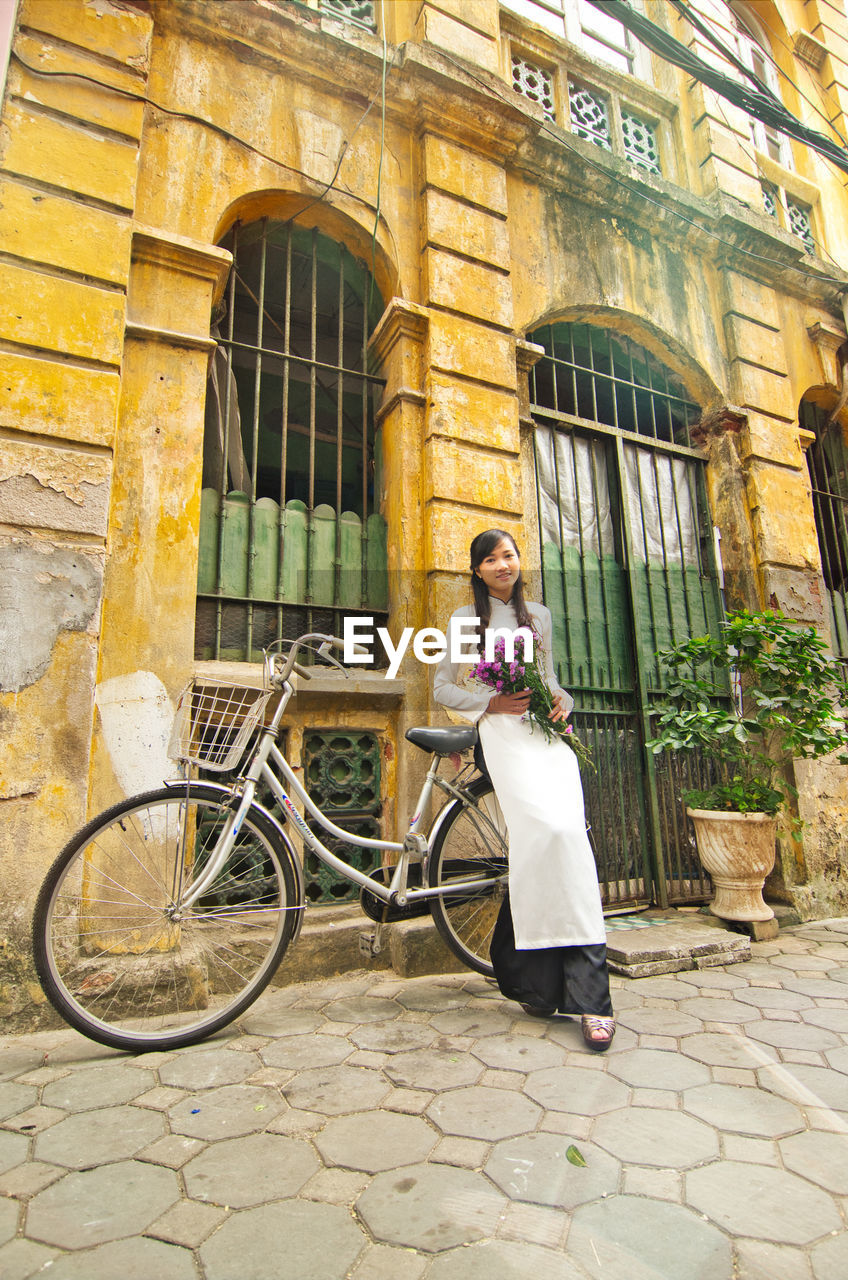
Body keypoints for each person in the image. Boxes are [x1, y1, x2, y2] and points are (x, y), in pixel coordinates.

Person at [433, 528, 615, 1051]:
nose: (501, 565)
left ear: (519, 561)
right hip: (503, 737)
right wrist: (489, 704)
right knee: (547, 835)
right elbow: (444, 685)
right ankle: (545, 980)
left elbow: (552, 678)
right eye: (490, 560)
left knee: (569, 840)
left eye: (508, 556)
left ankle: (572, 993)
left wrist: (563, 702)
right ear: (477, 571)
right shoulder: (465, 621)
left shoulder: (540, 615)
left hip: (547, 735)